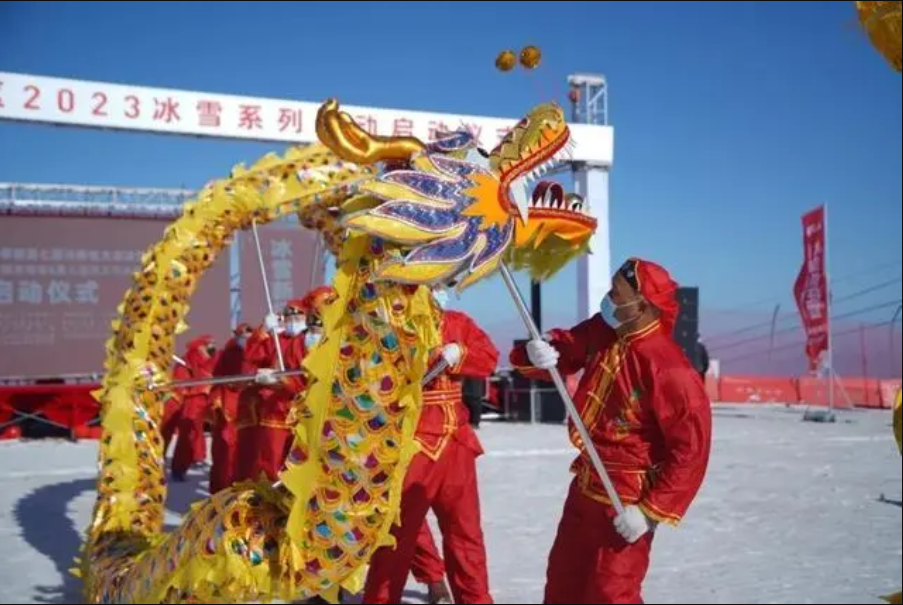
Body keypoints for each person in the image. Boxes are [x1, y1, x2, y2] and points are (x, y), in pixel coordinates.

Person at [510, 257, 713, 604]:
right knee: (563, 581)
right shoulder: (605, 330)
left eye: (615, 293)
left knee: (611, 592)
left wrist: (648, 513)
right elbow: (566, 350)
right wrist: (538, 352)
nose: (607, 298)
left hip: (626, 500)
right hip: (587, 483)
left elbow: (691, 450)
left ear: (642, 305)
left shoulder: (669, 368)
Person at [363, 287, 498, 605]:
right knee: (397, 534)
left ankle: (475, 600)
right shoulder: (390, 328)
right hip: (414, 443)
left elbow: (488, 357)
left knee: (466, 534)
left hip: (456, 441)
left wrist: (460, 353)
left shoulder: (458, 322)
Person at [208, 323, 253, 494]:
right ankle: (221, 489)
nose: (245, 340)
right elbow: (219, 377)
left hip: (246, 406)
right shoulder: (227, 353)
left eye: (249, 337)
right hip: (227, 404)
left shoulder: (254, 352)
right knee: (225, 450)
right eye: (242, 336)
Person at [171, 335, 220, 481]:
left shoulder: (209, 361)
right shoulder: (187, 363)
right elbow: (180, 386)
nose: (210, 348)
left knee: (201, 434)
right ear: (199, 347)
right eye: (208, 345)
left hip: (209, 401)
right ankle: (179, 468)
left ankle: (198, 457)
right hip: (193, 403)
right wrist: (201, 389)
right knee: (188, 435)